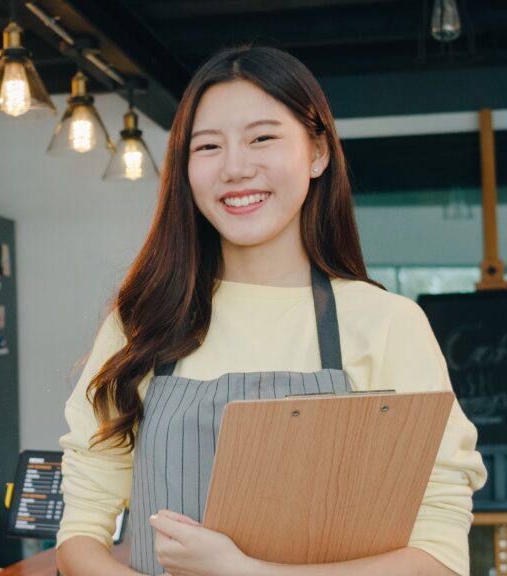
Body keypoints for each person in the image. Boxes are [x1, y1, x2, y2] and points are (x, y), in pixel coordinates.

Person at [55, 46, 486, 576]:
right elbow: (80, 533)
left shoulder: (386, 323)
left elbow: (439, 553)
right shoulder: (143, 321)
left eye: (262, 138)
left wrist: (251, 573)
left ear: (317, 153)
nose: (236, 168)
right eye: (208, 146)